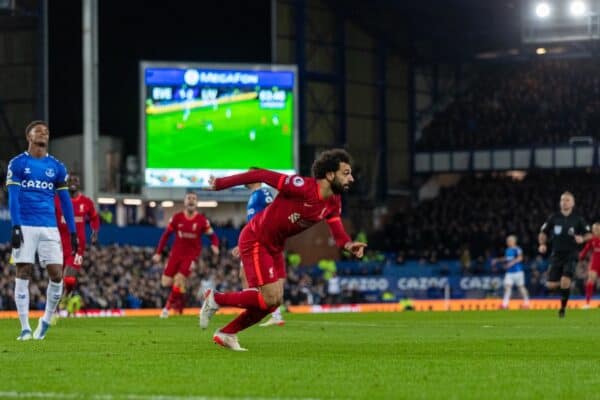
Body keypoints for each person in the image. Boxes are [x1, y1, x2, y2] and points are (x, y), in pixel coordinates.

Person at [200, 149, 367, 351]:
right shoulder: (302, 187)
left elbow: (338, 233)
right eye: (346, 173)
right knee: (268, 297)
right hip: (257, 239)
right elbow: (259, 174)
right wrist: (220, 184)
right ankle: (215, 298)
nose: (352, 178)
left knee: (273, 302)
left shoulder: (333, 201)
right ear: (330, 175)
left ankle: (227, 333)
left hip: (276, 245)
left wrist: (349, 245)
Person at [6, 120, 78, 340]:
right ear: (29, 136)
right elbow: (13, 197)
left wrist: (73, 231)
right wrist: (16, 226)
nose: (44, 134)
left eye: (46, 131)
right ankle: (25, 327)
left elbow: (66, 201)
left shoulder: (56, 167)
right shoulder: (18, 164)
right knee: (23, 271)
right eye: (39, 131)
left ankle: (45, 320)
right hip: (26, 224)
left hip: (49, 227)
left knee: (57, 274)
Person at [152, 191, 219, 317]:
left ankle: (166, 309)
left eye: (194, 198)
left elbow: (213, 236)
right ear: (185, 201)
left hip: (191, 257)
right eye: (189, 198)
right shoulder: (177, 218)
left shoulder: (202, 221)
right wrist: (158, 252)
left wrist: (215, 245)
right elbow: (166, 235)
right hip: (175, 255)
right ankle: (180, 302)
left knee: (179, 279)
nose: (191, 200)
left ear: (196, 202)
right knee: (166, 282)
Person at [232, 167, 285, 327]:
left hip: (259, 241)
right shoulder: (255, 195)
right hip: (255, 239)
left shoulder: (263, 193)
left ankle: (261, 311)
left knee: (252, 276)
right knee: (245, 275)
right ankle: (268, 311)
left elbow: (270, 212)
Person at [538, 191, 591, 318]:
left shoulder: (578, 219)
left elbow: (589, 234)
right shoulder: (553, 217)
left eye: (567, 200)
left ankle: (562, 308)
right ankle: (567, 284)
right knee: (550, 285)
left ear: (573, 203)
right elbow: (543, 232)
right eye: (562, 200)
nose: (564, 202)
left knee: (565, 280)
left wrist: (582, 239)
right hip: (556, 254)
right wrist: (542, 244)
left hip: (571, 254)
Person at [54, 173, 100, 302]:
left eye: (76, 180)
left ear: (79, 183)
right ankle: (58, 301)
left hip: (77, 246)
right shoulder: (57, 200)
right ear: (65, 183)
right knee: (57, 277)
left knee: (69, 276)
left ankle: (65, 297)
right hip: (58, 245)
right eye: (70, 180)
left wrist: (95, 231)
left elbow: (95, 218)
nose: (72, 182)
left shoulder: (86, 202)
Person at [491, 235, 530, 310]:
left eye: (509, 241)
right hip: (509, 272)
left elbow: (520, 258)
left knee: (521, 287)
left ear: (513, 241)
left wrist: (511, 263)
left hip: (518, 271)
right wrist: (497, 260)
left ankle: (527, 303)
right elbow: (507, 258)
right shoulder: (507, 250)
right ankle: (505, 304)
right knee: (507, 287)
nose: (507, 243)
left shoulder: (517, 249)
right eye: (507, 241)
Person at [578, 222, 600, 309]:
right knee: (590, 281)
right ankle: (587, 303)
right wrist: (580, 256)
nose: (596, 231)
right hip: (595, 263)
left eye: (597, 229)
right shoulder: (592, 240)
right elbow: (585, 251)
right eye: (594, 229)